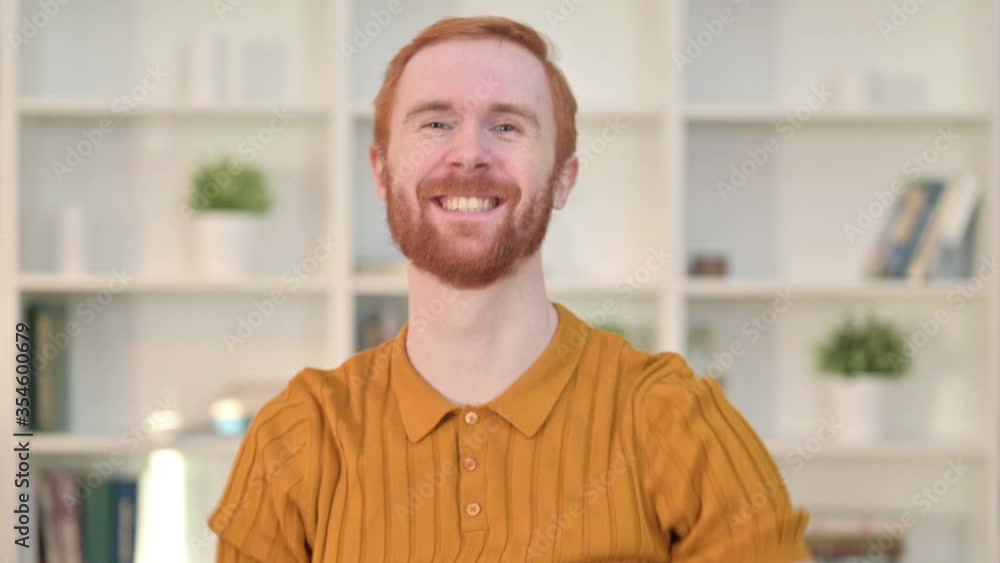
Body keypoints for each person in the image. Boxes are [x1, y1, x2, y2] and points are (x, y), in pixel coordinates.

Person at [208, 16, 813, 562]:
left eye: (506, 126)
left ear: (562, 180)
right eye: (436, 123)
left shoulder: (679, 420)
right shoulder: (298, 434)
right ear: (381, 173)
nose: (469, 153)